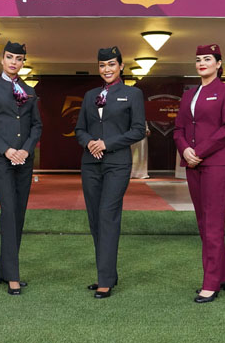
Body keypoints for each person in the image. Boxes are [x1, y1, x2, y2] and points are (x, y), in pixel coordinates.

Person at [74, 46, 146, 299]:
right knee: (95, 219)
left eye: (112, 64)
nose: (107, 69)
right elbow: (79, 128)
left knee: (107, 215)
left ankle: (105, 280)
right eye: (103, 65)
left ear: (121, 66)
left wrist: (107, 143)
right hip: (90, 163)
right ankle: (106, 274)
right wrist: (89, 142)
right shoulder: (90, 95)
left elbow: (138, 130)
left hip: (117, 163)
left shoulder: (133, 94)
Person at [173, 44, 225, 304]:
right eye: (198, 59)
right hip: (193, 164)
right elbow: (178, 129)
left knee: (213, 224)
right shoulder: (188, 94)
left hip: (218, 165)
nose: (202, 63)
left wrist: (199, 151)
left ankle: (210, 283)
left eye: (207, 59)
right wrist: (186, 151)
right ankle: (222, 275)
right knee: (204, 224)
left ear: (218, 64)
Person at [0, 41, 43, 295]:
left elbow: (36, 126)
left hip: (24, 159)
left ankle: (3, 271)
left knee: (19, 213)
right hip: (2, 159)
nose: (14, 62)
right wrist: (7, 150)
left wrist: (25, 150)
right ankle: (13, 276)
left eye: (19, 58)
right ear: (2, 60)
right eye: (9, 57)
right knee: (9, 212)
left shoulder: (29, 90)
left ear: (24, 62)